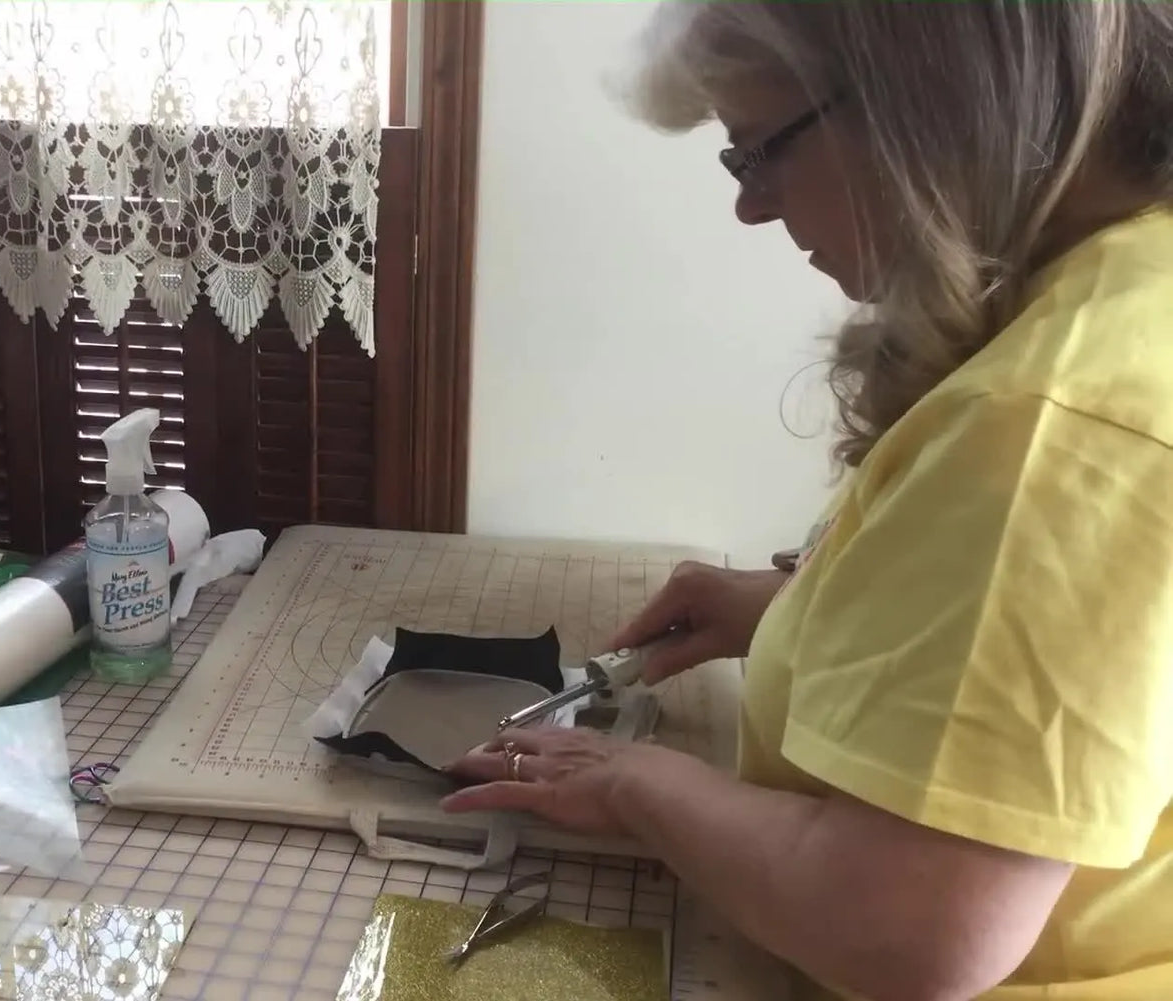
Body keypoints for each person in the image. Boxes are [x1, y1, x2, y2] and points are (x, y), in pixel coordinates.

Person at [439, 3, 1173, 999]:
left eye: (754, 152)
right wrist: (801, 610)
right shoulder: (1130, 292)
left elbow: (905, 932)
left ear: (925, 98)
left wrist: (635, 780)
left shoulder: (1049, 419)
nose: (750, 208)